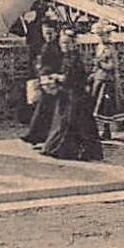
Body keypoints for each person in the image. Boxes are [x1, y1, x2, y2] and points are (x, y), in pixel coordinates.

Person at [43, 30, 104, 161]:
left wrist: (56, 77)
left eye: (66, 43)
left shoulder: (73, 58)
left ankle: (73, 150)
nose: (63, 46)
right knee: (70, 123)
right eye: (61, 43)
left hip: (75, 95)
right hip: (70, 94)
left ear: (73, 44)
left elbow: (70, 77)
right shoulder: (69, 56)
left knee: (74, 124)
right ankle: (68, 149)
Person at [21, 24, 64, 147]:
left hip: (54, 81)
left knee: (46, 110)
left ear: (56, 33)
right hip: (47, 80)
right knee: (43, 109)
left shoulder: (57, 46)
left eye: (50, 33)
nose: (48, 36)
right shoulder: (46, 46)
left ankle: (39, 136)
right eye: (45, 33)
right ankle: (36, 136)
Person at [90, 22, 124, 140]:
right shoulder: (99, 47)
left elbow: (111, 66)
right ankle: (105, 128)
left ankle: (107, 129)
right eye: (99, 35)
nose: (101, 37)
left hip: (107, 80)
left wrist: (100, 64)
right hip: (99, 79)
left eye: (103, 35)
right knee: (98, 104)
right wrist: (93, 73)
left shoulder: (110, 48)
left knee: (106, 106)